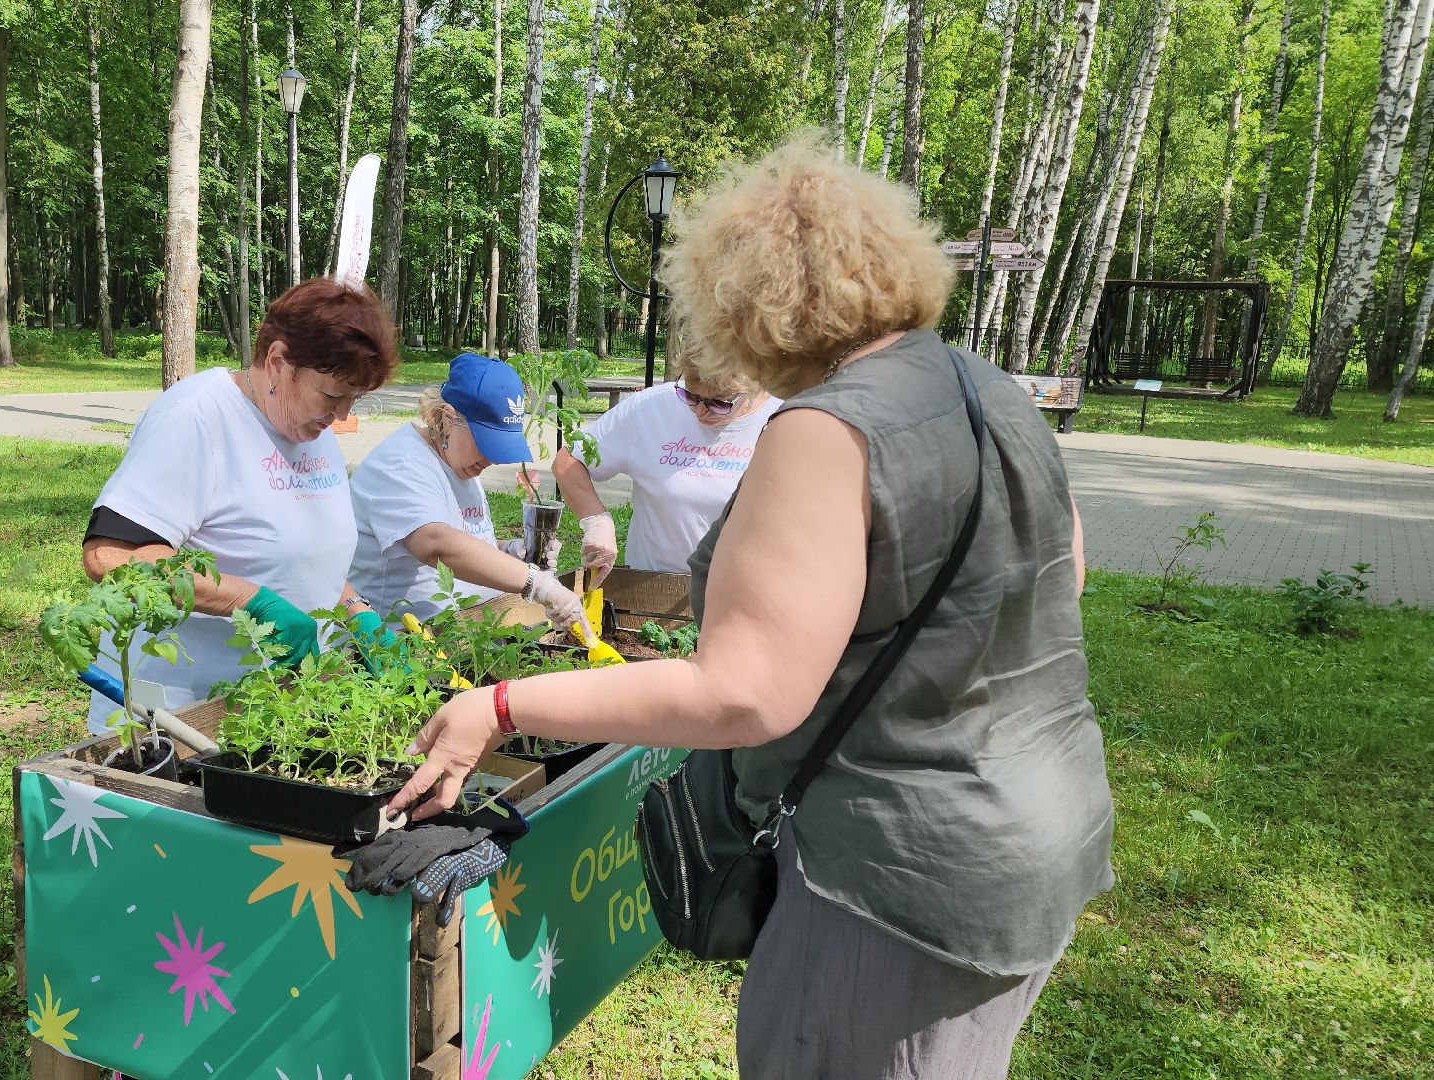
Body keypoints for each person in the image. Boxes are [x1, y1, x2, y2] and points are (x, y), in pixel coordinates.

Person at [388, 136, 1113, 1078]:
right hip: (1041, 826)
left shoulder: (823, 430)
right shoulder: (992, 391)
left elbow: (740, 694)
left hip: (899, 876)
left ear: (745, 305)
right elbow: (1064, 573)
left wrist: (499, 705)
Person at [78, 279, 399, 732]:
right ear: (278, 362)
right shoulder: (195, 418)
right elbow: (111, 556)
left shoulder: (309, 427)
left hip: (278, 705)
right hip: (182, 712)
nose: (343, 415)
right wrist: (251, 601)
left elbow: (301, 550)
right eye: (333, 396)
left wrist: (357, 610)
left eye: (354, 398)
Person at [347, 352, 587, 626]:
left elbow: (467, 536)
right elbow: (435, 543)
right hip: (401, 639)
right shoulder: (402, 464)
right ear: (448, 418)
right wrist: (536, 582)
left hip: (466, 631)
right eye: (486, 442)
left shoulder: (457, 458)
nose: (492, 458)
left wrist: (508, 552)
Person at [551, 323, 781, 577]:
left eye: (719, 403)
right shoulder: (651, 408)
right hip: (652, 583)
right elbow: (568, 462)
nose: (701, 412)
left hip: (741, 587)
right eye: (691, 396)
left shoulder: (784, 420)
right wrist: (597, 521)